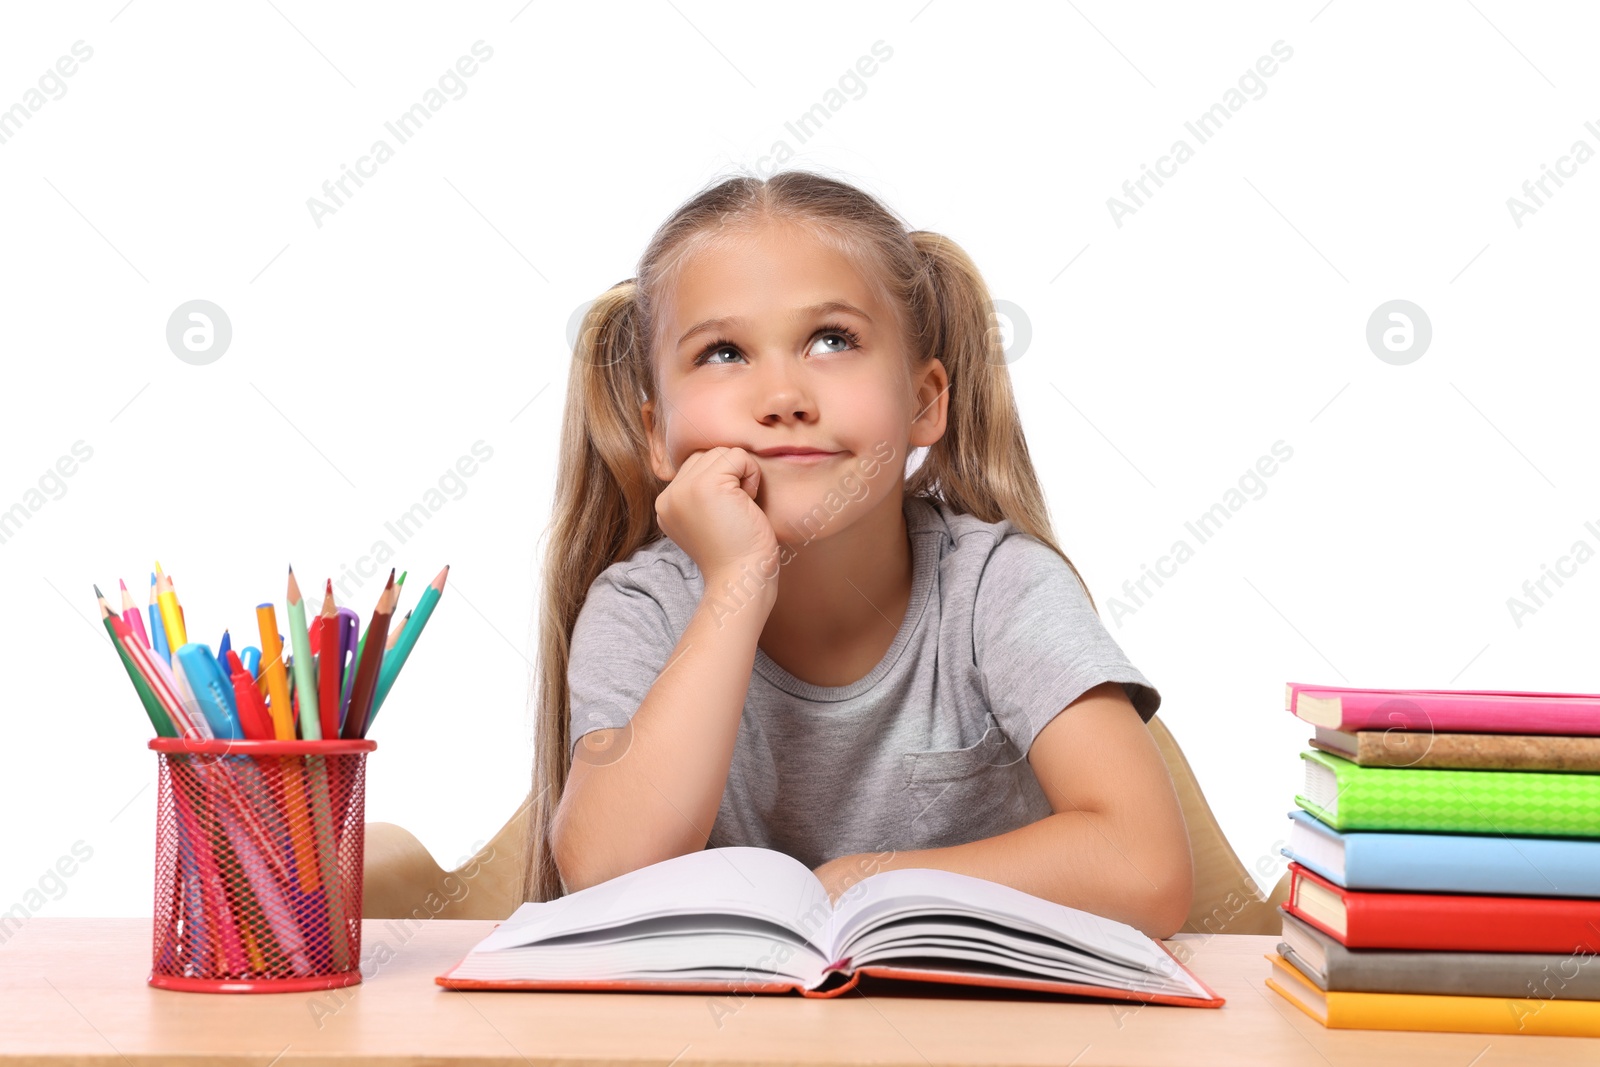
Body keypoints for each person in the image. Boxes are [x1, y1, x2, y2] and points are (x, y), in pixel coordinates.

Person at [524, 168, 1193, 939]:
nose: (782, 395)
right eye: (722, 352)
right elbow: (605, 874)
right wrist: (738, 582)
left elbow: (1145, 866)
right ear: (656, 435)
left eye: (832, 340)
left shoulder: (996, 587)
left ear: (923, 401)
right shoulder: (642, 606)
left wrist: (860, 884)